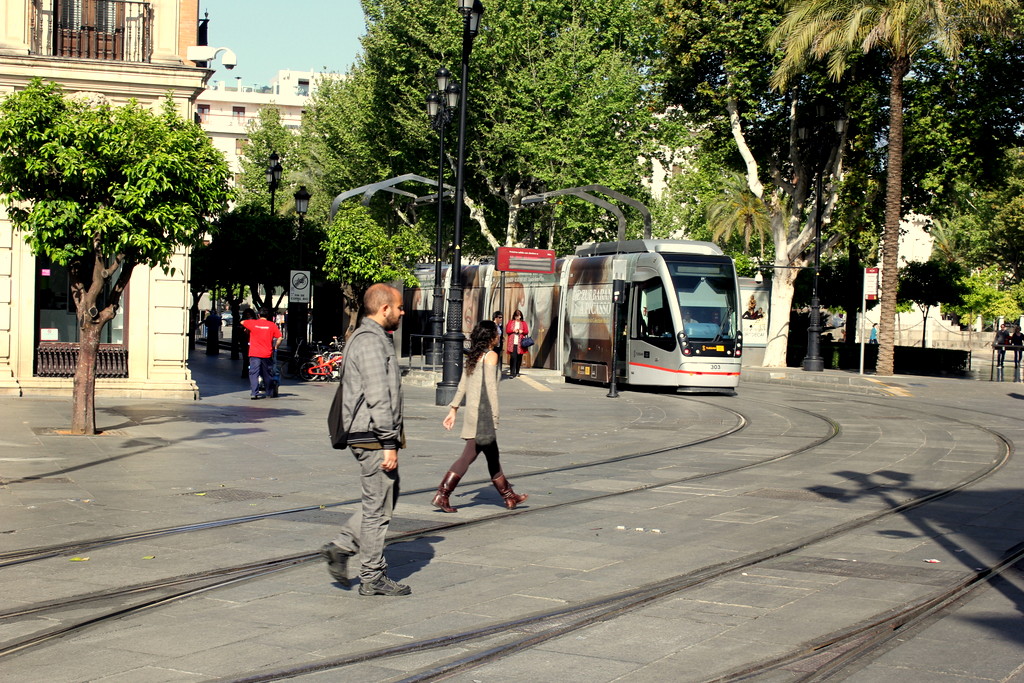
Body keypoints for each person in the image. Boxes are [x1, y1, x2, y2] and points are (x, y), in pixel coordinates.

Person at [319, 284, 411, 597]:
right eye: (399, 307)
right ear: (384, 309)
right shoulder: (371, 342)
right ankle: (372, 575)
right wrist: (388, 442)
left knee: (385, 496)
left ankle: (343, 547)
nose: (402, 312)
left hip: (370, 433)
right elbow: (378, 394)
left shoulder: (368, 338)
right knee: (377, 510)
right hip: (372, 435)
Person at [432, 320, 527, 513]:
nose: (499, 335)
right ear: (491, 337)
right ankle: (442, 494)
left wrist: (454, 409)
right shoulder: (490, 356)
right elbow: (491, 389)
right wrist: (495, 416)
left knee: (493, 456)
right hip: (483, 415)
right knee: (468, 456)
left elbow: (462, 384)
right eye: (497, 333)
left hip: (472, 413)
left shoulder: (474, 356)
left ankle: (509, 497)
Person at [241, 309, 282, 399]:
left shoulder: (253, 323)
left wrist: (248, 328)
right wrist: (276, 346)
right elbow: (280, 337)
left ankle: (254, 393)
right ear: (267, 316)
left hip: (254, 353)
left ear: (259, 315)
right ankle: (269, 392)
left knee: (253, 373)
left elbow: (242, 322)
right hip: (267, 353)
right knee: (267, 373)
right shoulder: (272, 325)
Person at [506, 309, 529, 378]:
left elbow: (526, 331)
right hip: (512, 343)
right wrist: (513, 330)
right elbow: (507, 330)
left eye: (519, 316)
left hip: (520, 342)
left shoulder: (523, 323)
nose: (518, 318)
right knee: (513, 357)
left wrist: (521, 331)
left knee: (519, 358)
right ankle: (512, 373)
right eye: (516, 316)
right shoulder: (511, 322)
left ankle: (517, 371)